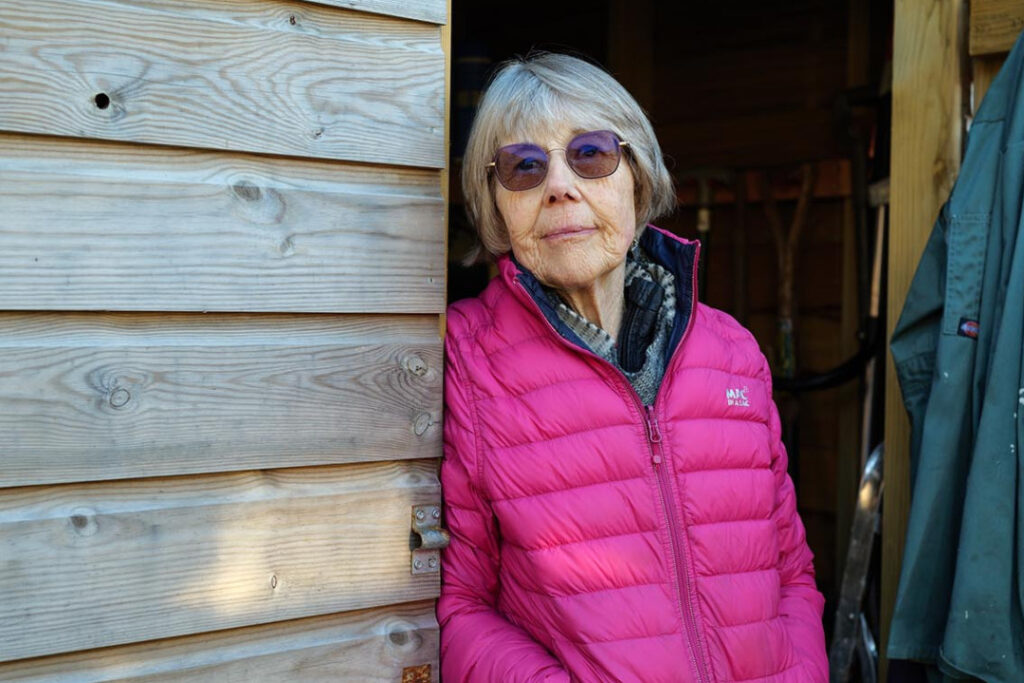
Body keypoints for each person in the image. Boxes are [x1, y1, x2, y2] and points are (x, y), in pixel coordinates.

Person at [439, 52, 828, 683]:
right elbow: (459, 606)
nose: (560, 185)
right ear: (496, 207)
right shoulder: (467, 361)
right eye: (524, 167)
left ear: (638, 178)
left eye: (590, 154)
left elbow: (790, 573)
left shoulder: (733, 353)